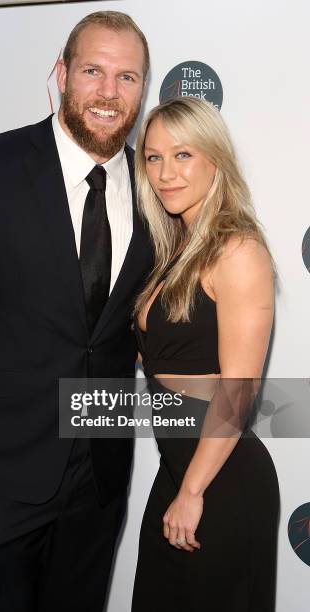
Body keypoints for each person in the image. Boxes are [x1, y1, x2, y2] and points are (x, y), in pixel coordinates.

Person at [0, 11, 153, 612]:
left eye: (128, 78)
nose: (108, 93)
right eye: (93, 71)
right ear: (62, 73)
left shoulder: (156, 186)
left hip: (98, 478)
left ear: (144, 89)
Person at [131, 97, 280, 611]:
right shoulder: (173, 251)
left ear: (215, 158)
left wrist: (193, 491)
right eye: (153, 157)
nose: (165, 173)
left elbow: (237, 392)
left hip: (219, 480)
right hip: (176, 471)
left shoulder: (238, 250)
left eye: (183, 155)